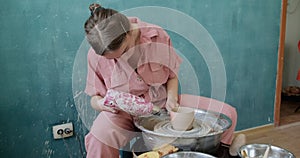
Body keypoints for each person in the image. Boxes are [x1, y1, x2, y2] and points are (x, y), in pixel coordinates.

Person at [83, 3, 245, 158]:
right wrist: (101, 103)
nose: (122, 58)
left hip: (161, 105)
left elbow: (172, 75)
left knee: (226, 113)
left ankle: (224, 152)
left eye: (124, 50)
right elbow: (94, 98)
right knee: (99, 138)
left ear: (129, 33)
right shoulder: (94, 55)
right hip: (122, 114)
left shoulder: (156, 35)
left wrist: (172, 99)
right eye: (114, 58)